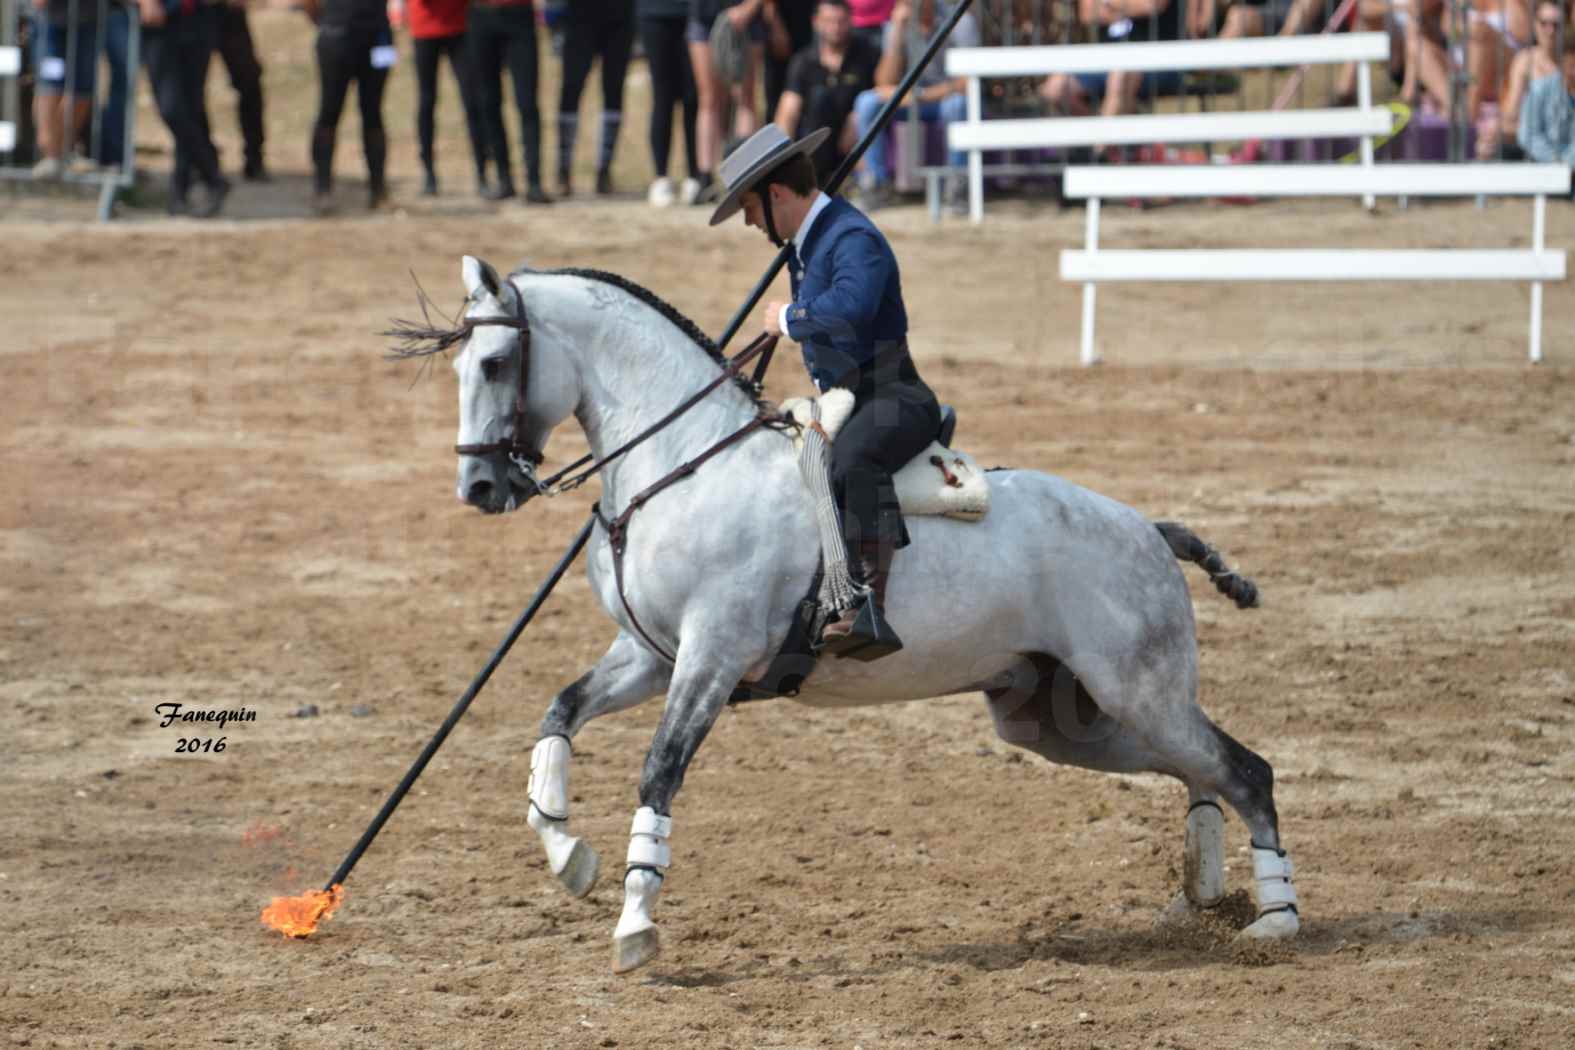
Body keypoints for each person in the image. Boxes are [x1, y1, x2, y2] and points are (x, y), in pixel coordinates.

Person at [710, 124, 943, 660]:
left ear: (776, 194)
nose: (748, 222)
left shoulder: (850, 237)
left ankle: (865, 603)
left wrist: (790, 317)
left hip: (894, 396)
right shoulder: (810, 244)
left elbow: (853, 308)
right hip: (846, 397)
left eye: (748, 207)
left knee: (849, 460)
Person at [850, 0, 978, 210]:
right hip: (909, 101)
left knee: (958, 104)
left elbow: (967, 83)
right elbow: (883, 82)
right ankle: (877, 183)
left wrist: (922, 95)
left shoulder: (961, 22)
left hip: (942, 100)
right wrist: (897, 34)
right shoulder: (894, 25)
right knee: (866, 102)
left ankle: (958, 185)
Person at [137, 0, 230, 216]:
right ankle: (212, 175)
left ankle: (179, 191)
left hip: (200, 18)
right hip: (161, 20)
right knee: (171, 109)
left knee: (191, 108)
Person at [774, 0, 879, 185]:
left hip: (852, 144)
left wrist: (857, 117)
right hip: (813, 143)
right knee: (820, 99)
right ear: (816, 22)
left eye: (841, 21)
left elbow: (880, 92)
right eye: (829, 21)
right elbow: (787, 112)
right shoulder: (803, 61)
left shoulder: (867, 55)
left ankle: (869, 182)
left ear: (851, 21)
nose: (836, 27)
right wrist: (783, 161)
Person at [300, 0, 392, 212]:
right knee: (329, 111)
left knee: (374, 113)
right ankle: (322, 189)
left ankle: (378, 190)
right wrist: (325, 22)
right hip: (336, 35)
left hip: (379, 38)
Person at [395, 0, 490, 195]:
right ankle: (429, 173)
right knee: (427, 102)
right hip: (424, 29)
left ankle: (482, 172)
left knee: (472, 102)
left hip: (460, 27)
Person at [1041, 0, 1184, 121]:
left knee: (1119, 77)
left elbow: (1152, 5)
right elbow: (1087, 13)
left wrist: (1106, 3)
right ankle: (1106, 140)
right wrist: (1128, 6)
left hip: (1156, 60)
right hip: (1105, 59)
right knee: (1053, 90)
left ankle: (1100, 150)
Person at [469, 0, 552, 203]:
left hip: (519, 16)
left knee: (527, 103)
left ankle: (534, 182)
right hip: (481, 16)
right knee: (488, 102)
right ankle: (503, 178)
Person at [555, 0, 634, 196]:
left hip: (620, 17)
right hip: (580, 14)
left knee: (614, 90)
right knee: (571, 88)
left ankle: (604, 171)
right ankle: (563, 170)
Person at [637, 0, 702, 205]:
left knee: (693, 97)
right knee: (663, 96)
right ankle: (661, 177)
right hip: (655, 14)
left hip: (694, 13)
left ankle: (695, 175)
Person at [29, 0, 98, 178]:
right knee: (50, 85)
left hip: (88, 17)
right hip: (50, 19)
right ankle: (50, 154)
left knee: (82, 89)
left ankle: (64, 152)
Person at [1490, 0, 1561, 158]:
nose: (1550, 30)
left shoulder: (1570, 64)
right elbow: (1511, 112)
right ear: (1535, 25)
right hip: (1534, 138)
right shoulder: (1525, 61)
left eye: (1556, 25)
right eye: (1544, 23)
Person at [215, 0, 268, 181]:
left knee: (250, 81)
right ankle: (198, 161)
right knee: (188, 90)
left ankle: (254, 158)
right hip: (193, 14)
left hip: (229, 13)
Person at [1518, 21, 1575, 168]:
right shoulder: (1539, 90)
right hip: (1544, 172)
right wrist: (1557, 162)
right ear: (1560, 62)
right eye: (1571, 66)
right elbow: (1528, 135)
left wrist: (1569, 162)